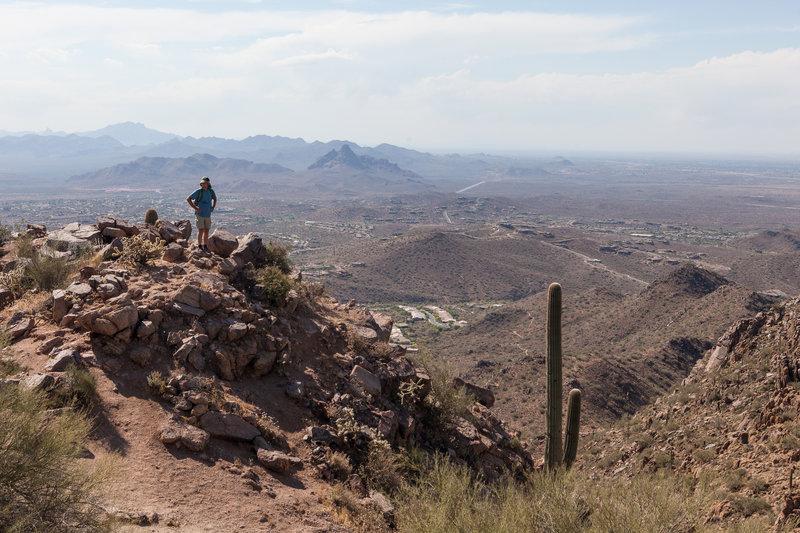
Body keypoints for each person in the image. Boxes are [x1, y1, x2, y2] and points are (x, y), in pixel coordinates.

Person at [186, 176, 217, 251]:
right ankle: (200, 246)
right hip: (199, 214)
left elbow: (215, 198)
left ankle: (205, 246)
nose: (203, 185)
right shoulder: (199, 191)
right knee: (201, 230)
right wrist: (196, 208)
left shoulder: (211, 191)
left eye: (205, 183)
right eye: (202, 183)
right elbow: (188, 199)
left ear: (208, 184)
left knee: (206, 230)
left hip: (207, 214)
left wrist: (213, 207)